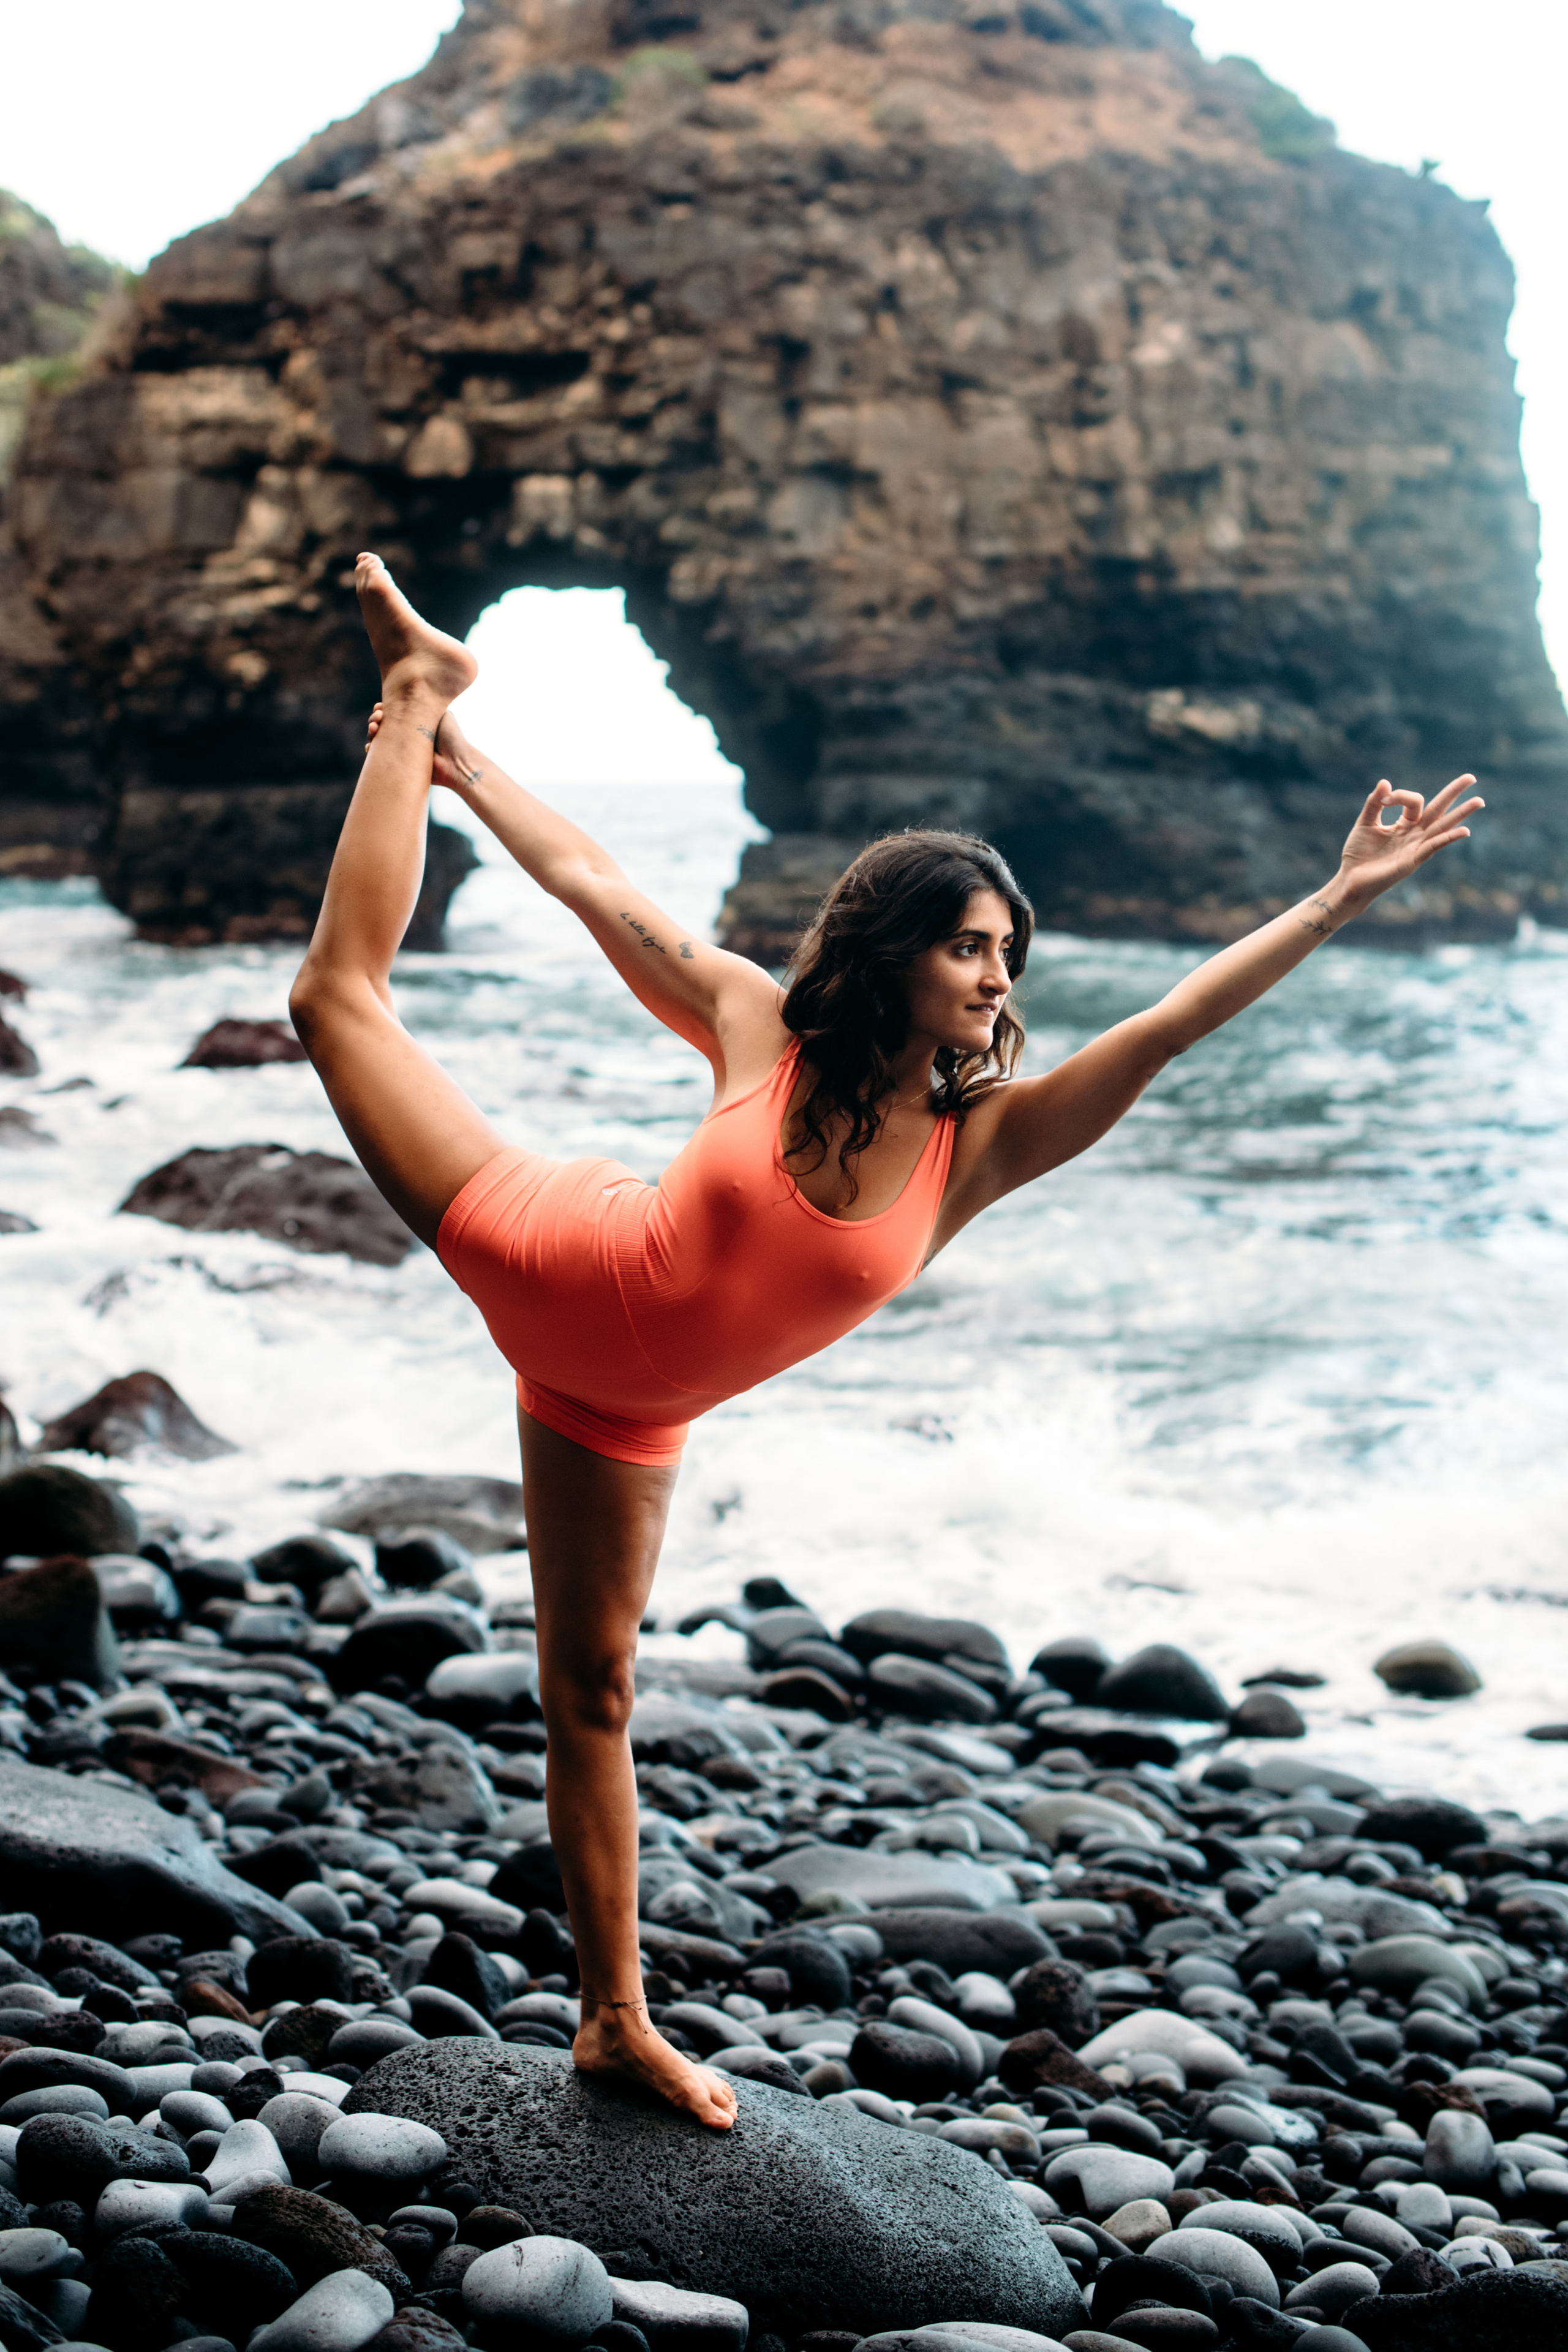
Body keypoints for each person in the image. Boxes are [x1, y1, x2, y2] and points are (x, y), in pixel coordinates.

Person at [289, 552, 1484, 2130]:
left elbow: (1175, 1021)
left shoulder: (980, 1151)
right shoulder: (757, 1024)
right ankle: (417, 690)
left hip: (620, 1409)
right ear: (898, 950)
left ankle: (610, 2022)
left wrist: (1334, 902)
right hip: (540, 1243)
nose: (999, 980)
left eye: (1011, 956)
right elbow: (588, 878)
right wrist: (454, 757)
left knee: (591, 1692)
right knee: (332, 1001)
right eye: (972, 946)